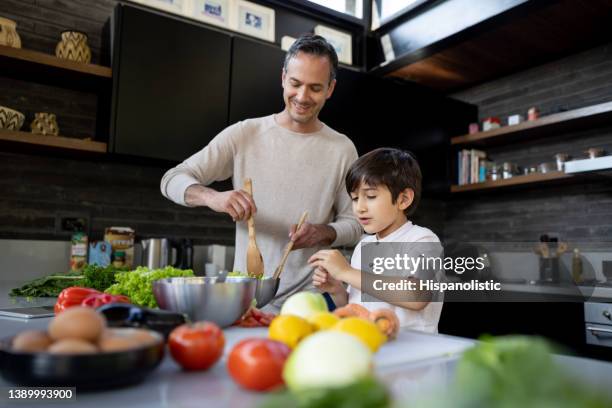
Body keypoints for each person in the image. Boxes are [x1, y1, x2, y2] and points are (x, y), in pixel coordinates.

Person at [160, 34, 362, 312]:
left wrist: (322, 232)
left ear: (330, 89)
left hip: (313, 302)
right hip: (248, 301)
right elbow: (172, 179)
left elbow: (356, 225)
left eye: (315, 88)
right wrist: (213, 198)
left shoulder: (342, 149)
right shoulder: (245, 134)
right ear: (283, 78)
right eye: (295, 83)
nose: (302, 97)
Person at [308, 148, 444, 333]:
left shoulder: (422, 239)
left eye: (370, 196)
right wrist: (337, 289)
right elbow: (356, 307)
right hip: (372, 345)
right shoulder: (363, 246)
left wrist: (346, 271)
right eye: (355, 199)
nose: (359, 208)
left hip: (414, 350)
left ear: (403, 199)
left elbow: (417, 295)